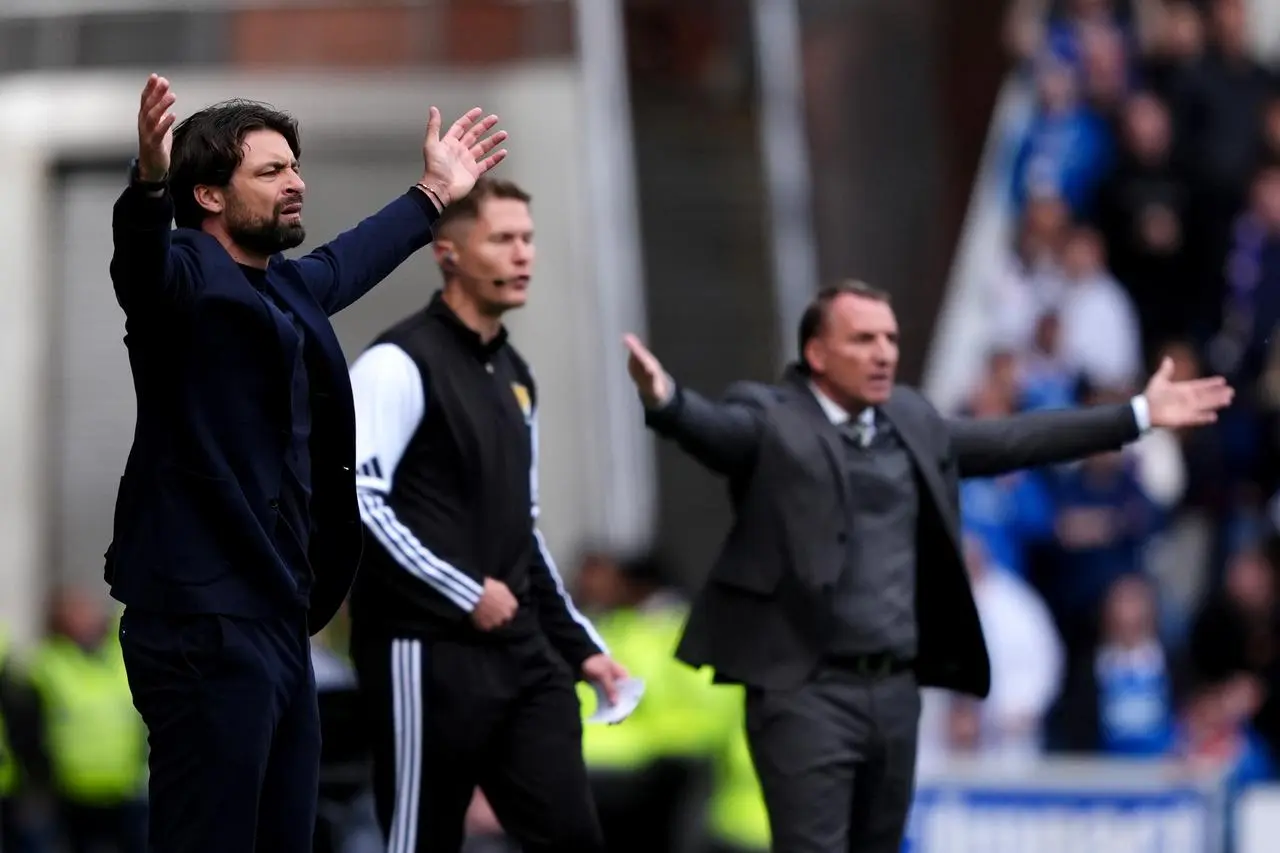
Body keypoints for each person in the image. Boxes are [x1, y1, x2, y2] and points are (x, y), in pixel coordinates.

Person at [621, 279, 1234, 853]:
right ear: (817, 352)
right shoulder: (774, 419)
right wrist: (670, 404)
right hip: (807, 693)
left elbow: (1015, 439)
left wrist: (1135, 416)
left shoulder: (912, 422)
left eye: (890, 337)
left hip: (894, 692)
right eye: (863, 339)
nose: (884, 351)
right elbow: (718, 433)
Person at [106, 73, 508, 853]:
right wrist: (149, 183)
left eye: (295, 166)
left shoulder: (285, 288)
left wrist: (432, 193)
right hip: (201, 620)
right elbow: (139, 259)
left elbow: (352, 258)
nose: (296, 183)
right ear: (210, 195)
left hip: (279, 617)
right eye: (271, 170)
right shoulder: (179, 278)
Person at [346, 177, 627, 853]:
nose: (523, 254)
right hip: (424, 650)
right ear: (448, 253)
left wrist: (579, 644)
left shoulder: (516, 373)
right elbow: (356, 500)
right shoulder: (395, 362)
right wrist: (465, 590)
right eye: (503, 239)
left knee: (573, 836)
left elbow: (521, 525)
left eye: (528, 238)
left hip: (521, 653)